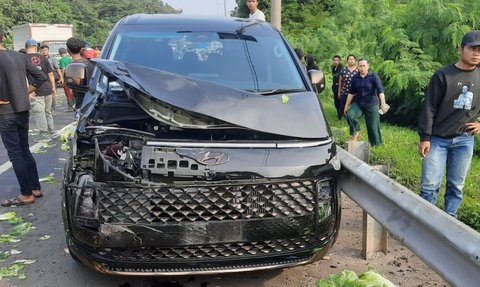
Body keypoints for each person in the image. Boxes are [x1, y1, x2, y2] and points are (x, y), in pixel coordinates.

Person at [418, 30, 480, 217]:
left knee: (456, 186)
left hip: (464, 140)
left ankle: (449, 223)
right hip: (437, 139)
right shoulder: (443, 75)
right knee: (430, 185)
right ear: (460, 49)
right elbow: (429, 107)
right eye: (472, 48)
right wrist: (425, 137)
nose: (476, 53)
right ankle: (425, 223)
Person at [0, 28, 48, 206]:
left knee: (15, 154)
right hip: (22, 109)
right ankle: (35, 188)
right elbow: (40, 77)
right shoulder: (20, 56)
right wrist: (23, 92)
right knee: (24, 149)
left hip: (5, 113)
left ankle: (26, 194)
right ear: (3, 37)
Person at [343, 58, 387, 146]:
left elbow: (380, 91)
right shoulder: (355, 77)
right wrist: (346, 106)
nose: (362, 68)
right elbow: (351, 93)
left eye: (364, 66)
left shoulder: (374, 76)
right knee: (350, 116)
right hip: (358, 103)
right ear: (358, 67)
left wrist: (383, 103)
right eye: (360, 66)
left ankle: (376, 145)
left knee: (373, 127)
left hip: (371, 104)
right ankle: (356, 132)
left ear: (368, 66)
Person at [25, 38, 56, 135]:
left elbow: (23, 76)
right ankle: (52, 130)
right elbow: (50, 74)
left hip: (34, 89)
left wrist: (28, 90)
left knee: (39, 112)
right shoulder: (43, 58)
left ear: (26, 47)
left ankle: (44, 133)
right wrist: (53, 87)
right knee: (48, 111)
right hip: (47, 88)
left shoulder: (23, 58)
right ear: (36, 47)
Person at [66, 37, 94, 118]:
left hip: (82, 104)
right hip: (93, 101)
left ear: (68, 50)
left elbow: (74, 85)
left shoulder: (72, 67)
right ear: (82, 50)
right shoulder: (91, 63)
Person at [40, 44, 61, 115]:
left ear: (48, 50)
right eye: (42, 50)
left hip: (52, 79)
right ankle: (46, 109)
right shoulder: (39, 59)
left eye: (45, 50)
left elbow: (57, 68)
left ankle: (53, 109)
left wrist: (61, 77)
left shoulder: (52, 58)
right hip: (43, 79)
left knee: (53, 94)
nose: (44, 51)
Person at [337, 54, 358, 120]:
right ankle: (339, 119)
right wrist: (339, 92)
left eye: (352, 59)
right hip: (345, 91)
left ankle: (352, 119)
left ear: (355, 61)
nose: (351, 61)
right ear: (347, 61)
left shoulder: (358, 70)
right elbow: (340, 81)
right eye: (350, 59)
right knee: (342, 106)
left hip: (355, 93)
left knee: (354, 107)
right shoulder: (343, 70)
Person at [58, 47, 75, 111]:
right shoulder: (70, 59)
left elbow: (63, 69)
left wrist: (61, 78)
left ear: (60, 53)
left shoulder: (62, 60)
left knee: (67, 91)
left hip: (66, 77)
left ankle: (70, 107)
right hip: (72, 76)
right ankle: (74, 105)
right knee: (72, 90)